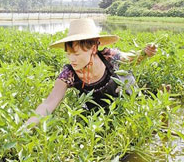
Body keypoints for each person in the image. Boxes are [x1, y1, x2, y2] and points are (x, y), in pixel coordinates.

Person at [26, 18, 157, 125]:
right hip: (103, 115)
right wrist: (26, 128)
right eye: (69, 54)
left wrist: (145, 52)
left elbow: (133, 58)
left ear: (93, 48)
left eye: (76, 54)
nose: (72, 59)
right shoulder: (69, 74)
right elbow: (49, 102)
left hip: (129, 103)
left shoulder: (109, 57)